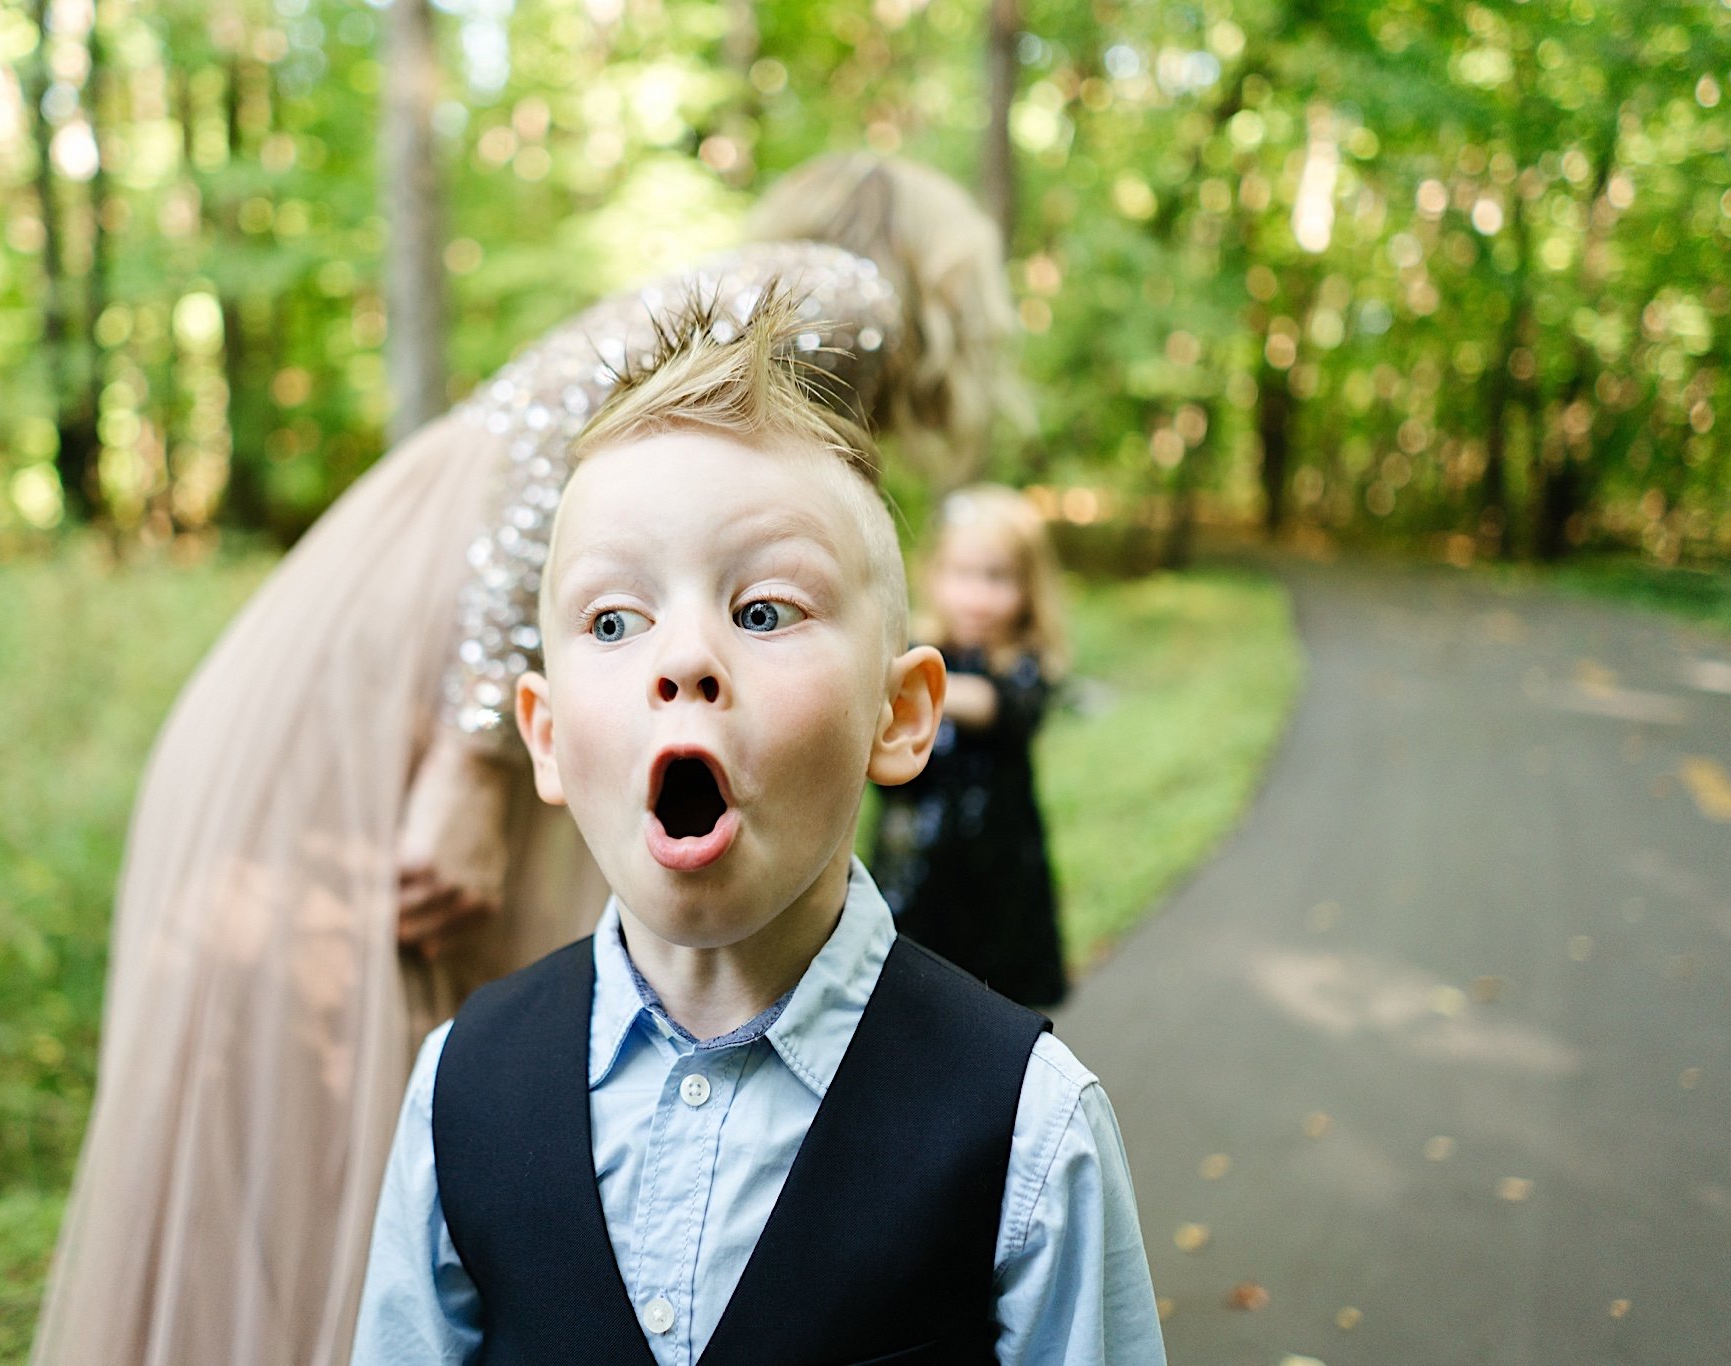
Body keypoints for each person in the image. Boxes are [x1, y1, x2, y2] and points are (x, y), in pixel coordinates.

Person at [30, 155, 1020, 1366]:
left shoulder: (788, 311)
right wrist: (469, 757)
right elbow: (559, 457)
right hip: (413, 672)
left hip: (408, 635)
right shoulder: (835, 292)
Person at [352, 292, 1163, 1365]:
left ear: (899, 714)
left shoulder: (1029, 1130)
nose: (680, 659)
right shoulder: (460, 1087)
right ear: (545, 739)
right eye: (612, 620)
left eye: (764, 609)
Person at [871, 484, 1072, 1008]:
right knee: (906, 999)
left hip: (998, 874)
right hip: (913, 865)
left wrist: (895, 682)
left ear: (1030, 587)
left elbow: (998, 706)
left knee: (993, 1007)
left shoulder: (1023, 666)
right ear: (934, 575)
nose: (977, 596)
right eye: (962, 575)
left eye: (998, 578)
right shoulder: (915, 650)